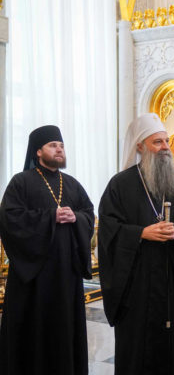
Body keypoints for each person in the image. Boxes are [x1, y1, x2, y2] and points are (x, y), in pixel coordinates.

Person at [98, 113, 174, 375]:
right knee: (138, 350)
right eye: (158, 142)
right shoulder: (120, 185)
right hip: (137, 286)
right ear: (140, 146)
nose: (166, 147)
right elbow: (108, 230)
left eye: (166, 141)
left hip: (171, 284)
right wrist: (141, 233)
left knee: (173, 350)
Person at [0, 125, 94, 375]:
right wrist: (50, 216)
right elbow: (10, 219)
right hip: (33, 277)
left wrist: (76, 218)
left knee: (64, 330)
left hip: (66, 275)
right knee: (34, 331)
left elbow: (88, 213)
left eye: (61, 146)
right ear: (38, 151)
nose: (59, 149)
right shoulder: (21, 182)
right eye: (53, 145)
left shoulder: (72, 184)